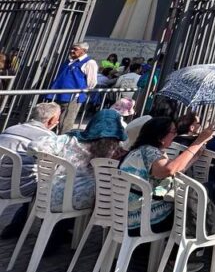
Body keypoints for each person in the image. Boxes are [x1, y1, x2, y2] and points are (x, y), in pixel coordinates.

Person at [120, 116, 215, 232]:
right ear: (161, 136)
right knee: (201, 194)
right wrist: (198, 141)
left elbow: (170, 171)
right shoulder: (150, 152)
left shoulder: (139, 151)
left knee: (198, 194)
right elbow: (169, 170)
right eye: (174, 132)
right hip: (143, 218)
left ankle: (210, 230)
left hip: (128, 213)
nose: (176, 135)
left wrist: (194, 157)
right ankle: (210, 234)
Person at [29, 108, 125, 213]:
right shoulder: (115, 149)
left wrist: (52, 160)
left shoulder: (70, 140)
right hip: (77, 201)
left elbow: (35, 146)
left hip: (48, 193)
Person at [0, 103, 61, 237]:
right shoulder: (49, 138)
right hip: (11, 188)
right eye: (57, 118)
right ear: (51, 120)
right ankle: (48, 234)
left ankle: (16, 227)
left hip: (3, 178)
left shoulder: (11, 128)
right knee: (49, 185)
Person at [46, 41, 98, 132]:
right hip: (57, 95)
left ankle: (63, 142)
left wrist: (80, 93)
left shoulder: (90, 63)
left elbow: (92, 82)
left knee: (65, 123)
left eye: (75, 49)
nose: (72, 51)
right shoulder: (69, 61)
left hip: (72, 98)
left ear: (84, 51)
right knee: (52, 121)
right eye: (71, 48)